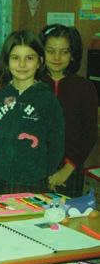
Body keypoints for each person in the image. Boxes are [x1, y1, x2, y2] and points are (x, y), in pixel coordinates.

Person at [0, 30, 65, 194]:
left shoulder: (48, 99)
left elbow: (56, 143)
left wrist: (42, 174)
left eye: (29, 58)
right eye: (15, 58)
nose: (22, 64)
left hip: (32, 182)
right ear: (6, 62)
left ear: (39, 62)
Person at [40, 24, 98, 197]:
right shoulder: (33, 84)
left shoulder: (84, 87)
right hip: (34, 168)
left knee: (67, 219)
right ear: (41, 53)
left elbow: (89, 134)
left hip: (70, 170)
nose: (57, 57)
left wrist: (67, 169)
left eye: (64, 52)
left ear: (72, 55)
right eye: (51, 51)